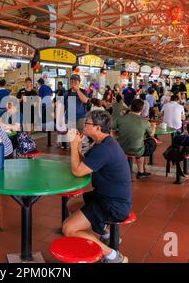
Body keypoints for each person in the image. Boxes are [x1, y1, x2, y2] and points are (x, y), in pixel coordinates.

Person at [63, 111, 132, 263]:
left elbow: (78, 171)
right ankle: (106, 235)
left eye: (87, 123)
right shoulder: (103, 142)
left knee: (68, 228)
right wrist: (78, 147)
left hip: (113, 204)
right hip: (104, 196)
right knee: (72, 204)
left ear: (98, 128)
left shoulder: (105, 149)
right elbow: (85, 164)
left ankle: (113, 256)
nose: (83, 126)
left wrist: (73, 145)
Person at [114, 99, 156, 179]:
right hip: (137, 150)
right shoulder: (145, 122)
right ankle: (141, 171)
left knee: (139, 143)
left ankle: (134, 170)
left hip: (121, 148)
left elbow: (111, 129)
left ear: (130, 107)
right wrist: (153, 127)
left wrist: (119, 134)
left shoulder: (120, 119)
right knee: (150, 141)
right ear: (142, 109)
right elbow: (151, 134)